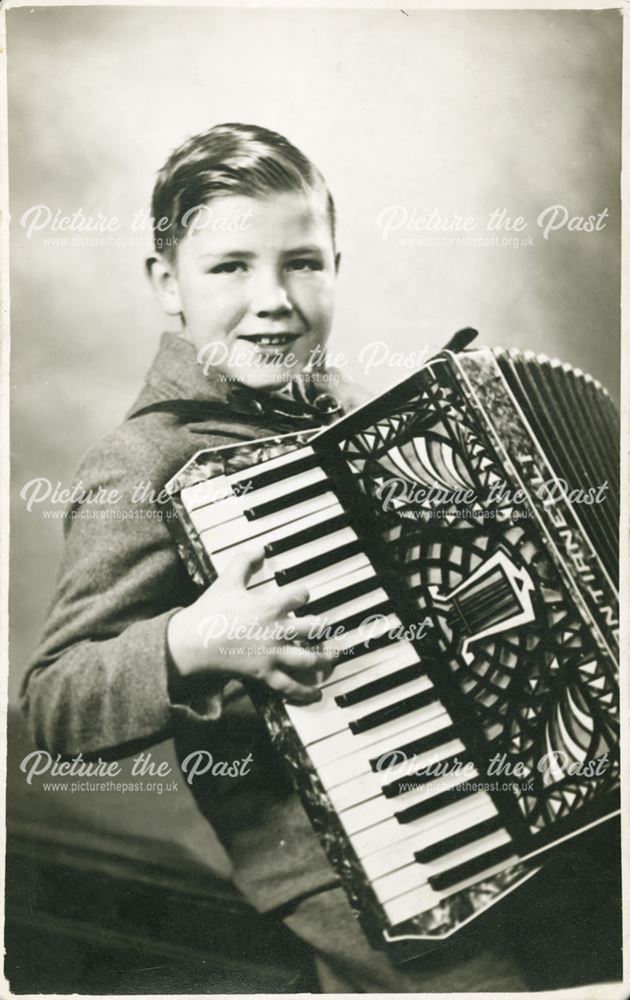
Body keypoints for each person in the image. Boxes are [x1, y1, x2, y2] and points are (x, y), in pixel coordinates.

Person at [22, 123, 614, 993]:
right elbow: (52, 702)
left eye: (304, 262)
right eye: (230, 267)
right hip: (371, 868)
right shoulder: (149, 461)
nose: (275, 300)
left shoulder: (357, 417)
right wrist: (188, 640)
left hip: (508, 803)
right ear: (167, 285)